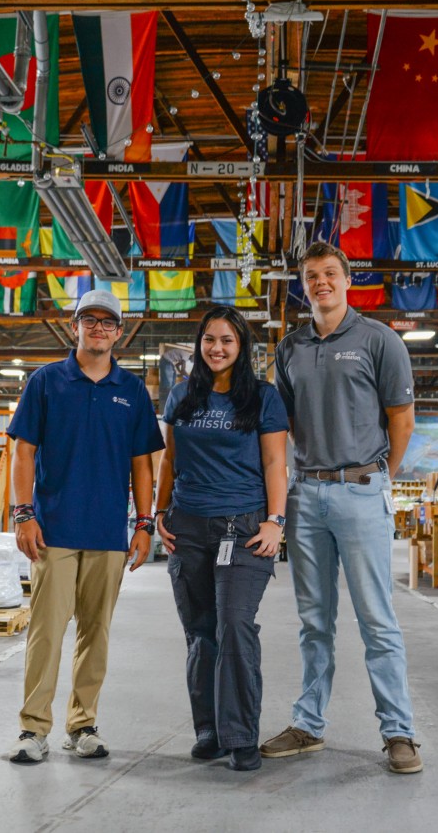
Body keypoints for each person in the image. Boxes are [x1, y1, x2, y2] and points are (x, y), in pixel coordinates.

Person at [260, 241, 422, 774]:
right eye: (311, 276)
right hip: (306, 496)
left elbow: (401, 421)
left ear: (347, 280)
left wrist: (378, 482)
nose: (320, 282)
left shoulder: (379, 340)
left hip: (360, 491)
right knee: (314, 622)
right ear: (302, 285)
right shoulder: (290, 348)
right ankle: (308, 724)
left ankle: (399, 733)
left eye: (330, 273)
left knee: (378, 619)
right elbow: (277, 429)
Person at [5, 289, 164, 764]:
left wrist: (144, 524)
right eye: (89, 320)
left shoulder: (132, 391)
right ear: (75, 326)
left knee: (97, 632)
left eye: (107, 322)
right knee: (47, 633)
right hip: (53, 530)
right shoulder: (47, 381)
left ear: (119, 331)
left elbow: (142, 465)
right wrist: (23, 513)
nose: (98, 328)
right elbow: (24, 452)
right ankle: (33, 729)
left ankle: (83, 723)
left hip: (108, 535)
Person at [155, 307, 289, 773]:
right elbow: (169, 462)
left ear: (241, 347)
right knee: (200, 633)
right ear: (199, 344)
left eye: (227, 341)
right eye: (209, 339)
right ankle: (209, 731)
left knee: (234, 624)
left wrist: (275, 520)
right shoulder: (181, 396)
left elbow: (275, 464)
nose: (216, 348)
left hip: (244, 526)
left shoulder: (263, 398)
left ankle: (241, 734)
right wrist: (158, 512)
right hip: (188, 527)